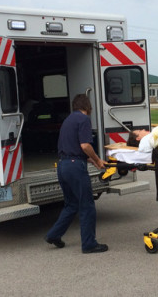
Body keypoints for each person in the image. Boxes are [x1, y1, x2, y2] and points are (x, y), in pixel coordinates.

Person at [45, 94, 108, 254]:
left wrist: (92, 161)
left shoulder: (68, 120)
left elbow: (73, 148)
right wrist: (98, 159)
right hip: (75, 168)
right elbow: (85, 145)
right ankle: (89, 244)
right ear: (88, 107)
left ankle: (53, 235)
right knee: (87, 205)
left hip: (63, 166)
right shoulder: (84, 119)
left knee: (71, 204)